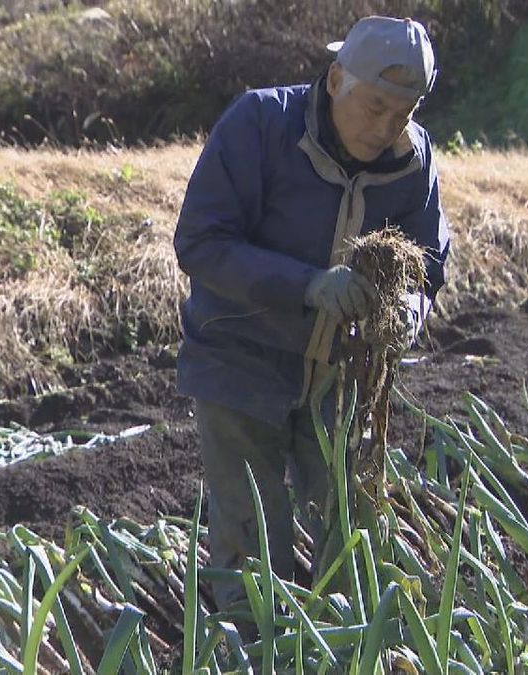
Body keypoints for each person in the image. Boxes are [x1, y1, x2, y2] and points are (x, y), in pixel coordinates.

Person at [172, 15, 451, 615]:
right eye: (374, 106)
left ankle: (338, 647)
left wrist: (410, 307)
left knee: (350, 535)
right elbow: (201, 242)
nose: (385, 128)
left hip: (342, 375)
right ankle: (251, 647)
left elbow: (428, 262)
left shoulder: (413, 160)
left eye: (403, 114)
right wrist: (308, 285)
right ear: (334, 81)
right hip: (240, 364)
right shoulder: (259, 126)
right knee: (251, 550)